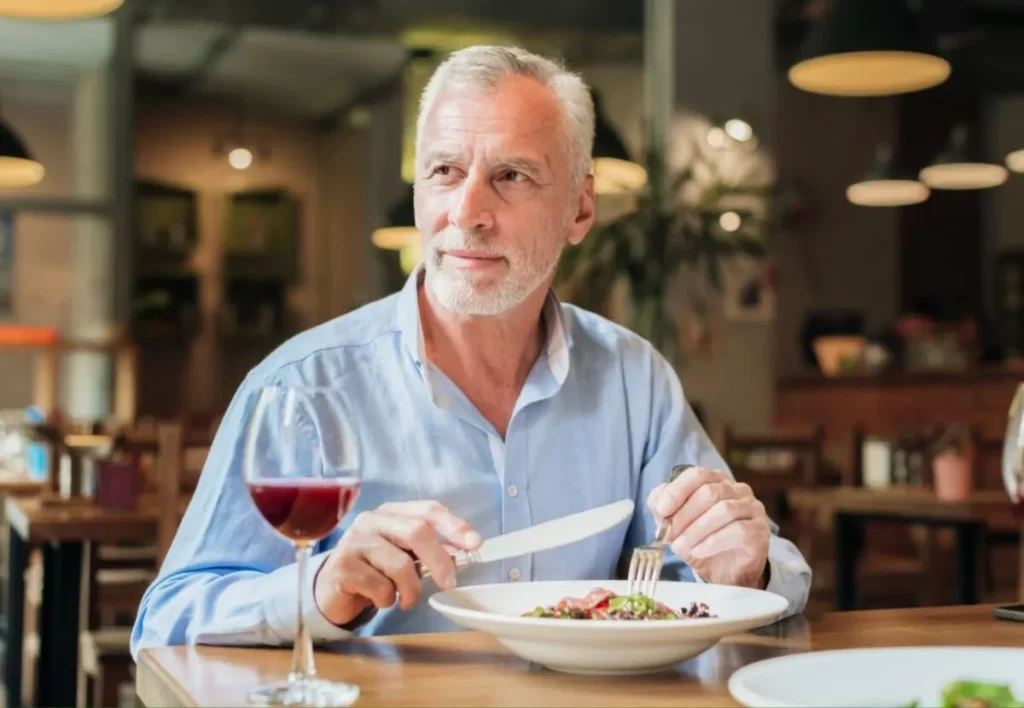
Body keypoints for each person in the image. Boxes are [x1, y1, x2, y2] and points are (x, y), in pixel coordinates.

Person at [130, 45, 810, 657]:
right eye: (446, 171)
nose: (467, 211)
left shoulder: (635, 379)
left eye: (512, 175)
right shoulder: (300, 389)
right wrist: (318, 590)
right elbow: (167, 620)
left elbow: (750, 571)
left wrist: (744, 570)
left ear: (579, 209)